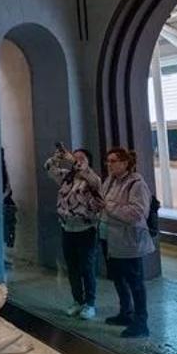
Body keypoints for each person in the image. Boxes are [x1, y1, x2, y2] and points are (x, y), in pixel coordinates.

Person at [44, 145, 104, 321]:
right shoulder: (67, 178)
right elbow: (48, 168)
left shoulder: (93, 179)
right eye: (74, 157)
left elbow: (95, 189)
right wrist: (58, 157)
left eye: (81, 158)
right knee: (73, 268)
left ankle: (90, 303)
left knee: (87, 267)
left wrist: (78, 164)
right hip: (68, 228)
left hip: (86, 229)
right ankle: (77, 300)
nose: (76, 161)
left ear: (88, 162)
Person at [100, 148, 155, 338]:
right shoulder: (110, 181)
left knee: (135, 282)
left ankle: (141, 322)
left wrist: (108, 207)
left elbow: (137, 213)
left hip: (130, 240)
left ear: (125, 163)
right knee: (118, 279)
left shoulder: (137, 184)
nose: (110, 164)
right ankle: (126, 312)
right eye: (108, 161)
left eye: (114, 161)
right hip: (112, 238)